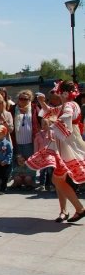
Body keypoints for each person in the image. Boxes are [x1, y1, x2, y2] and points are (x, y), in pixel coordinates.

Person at [27, 80, 85, 223]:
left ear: (62, 92)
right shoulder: (68, 104)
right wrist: (43, 102)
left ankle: (79, 208)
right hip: (65, 145)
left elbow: (66, 116)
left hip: (67, 146)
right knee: (59, 179)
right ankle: (64, 211)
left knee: (57, 179)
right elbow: (53, 112)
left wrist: (53, 128)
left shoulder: (70, 105)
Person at [12, 89, 40, 159]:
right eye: (21, 99)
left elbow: (41, 119)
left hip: (30, 142)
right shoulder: (13, 109)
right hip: (17, 142)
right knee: (19, 164)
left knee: (30, 163)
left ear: (30, 99)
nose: (23, 100)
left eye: (25, 99)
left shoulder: (34, 108)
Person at [34, 118, 55, 192]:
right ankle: (41, 185)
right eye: (42, 124)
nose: (44, 126)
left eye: (45, 124)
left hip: (49, 155)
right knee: (42, 171)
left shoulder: (52, 133)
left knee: (50, 171)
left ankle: (51, 185)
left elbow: (54, 144)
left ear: (49, 124)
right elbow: (36, 145)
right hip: (41, 155)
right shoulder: (38, 134)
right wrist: (36, 154)